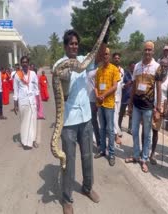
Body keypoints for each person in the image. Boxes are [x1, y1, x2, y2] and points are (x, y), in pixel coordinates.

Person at [53, 28, 107, 214]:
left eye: (76, 44)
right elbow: (63, 84)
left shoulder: (84, 60)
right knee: (68, 160)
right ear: (65, 46)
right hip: (68, 120)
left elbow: (99, 57)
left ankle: (87, 187)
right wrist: (67, 72)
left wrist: (104, 36)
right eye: (71, 44)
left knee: (87, 156)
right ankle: (67, 199)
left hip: (85, 117)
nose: (74, 46)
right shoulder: (59, 64)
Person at [124, 41, 162, 173]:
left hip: (148, 107)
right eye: (145, 50)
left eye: (149, 50)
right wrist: (129, 103)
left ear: (153, 51)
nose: (147, 52)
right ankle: (135, 155)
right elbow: (134, 85)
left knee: (147, 134)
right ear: (143, 51)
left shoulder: (157, 67)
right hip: (136, 105)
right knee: (134, 131)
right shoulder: (137, 66)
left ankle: (144, 158)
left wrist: (158, 108)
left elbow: (158, 88)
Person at [94, 48, 120, 166]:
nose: (105, 56)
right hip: (100, 103)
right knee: (102, 128)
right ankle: (102, 150)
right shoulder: (98, 70)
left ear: (109, 56)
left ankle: (112, 154)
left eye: (107, 54)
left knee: (110, 129)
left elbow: (115, 86)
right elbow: (95, 86)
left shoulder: (114, 69)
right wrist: (97, 95)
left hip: (109, 104)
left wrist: (103, 95)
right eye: (103, 54)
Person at [149, 58, 168, 165]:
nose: (163, 67)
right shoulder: (154, 78)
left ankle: (152, 153)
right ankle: (144, 150)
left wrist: (167, 108)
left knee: (155, 131)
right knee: (145, 130)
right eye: (162, 65)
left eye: (166, 66)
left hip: (161, 106)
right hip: (150, 105)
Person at [13, 56, 39, 149]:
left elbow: (36, 89)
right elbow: (15, 91)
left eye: (26, 62)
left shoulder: (33, 74)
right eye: (23, 62)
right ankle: (24, 141)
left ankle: (33, 140)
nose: (24, 64)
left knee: (33, 121)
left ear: (28, 63)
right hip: (22, 101)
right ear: (21, 64)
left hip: (32, 101)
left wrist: (38, 102)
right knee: (24, 121)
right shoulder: (17, 75)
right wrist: (15, 105)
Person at [87, 67, 101, 148]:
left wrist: (97, 100)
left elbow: (98, 86)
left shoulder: (97, 70)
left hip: (92, 100)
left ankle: (98, 142)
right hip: (84, 100)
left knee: (94, 121)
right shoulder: (84, 70)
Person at [111, 52, 124, 144]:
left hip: (119, 96)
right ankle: (116, 136)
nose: (117, 59)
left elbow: (121, 84)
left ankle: (115, 131)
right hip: (112, 96)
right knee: (114, 116)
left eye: (118, 58)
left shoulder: (122, 70)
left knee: (117, 114)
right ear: (113, 59)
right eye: (115, 58)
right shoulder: (110, 69)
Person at [119, 62, 134, 135]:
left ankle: (130, 128)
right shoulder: (125, 75)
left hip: (132, 98)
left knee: (131, 113)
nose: (133, 68)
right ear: (129, 67)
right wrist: (127, 84)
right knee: (121, 112)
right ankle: (118, 126)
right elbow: (121, 85)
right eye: (132, 67)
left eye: (134, 67)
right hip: (125, 96)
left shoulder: (136, 75)